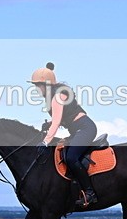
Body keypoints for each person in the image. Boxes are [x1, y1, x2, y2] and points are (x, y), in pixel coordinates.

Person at [29, 62, 99, 207]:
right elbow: (62, 118)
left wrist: (45, 141)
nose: (36, 89)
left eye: (38, 85)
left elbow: (57, 122)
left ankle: (90, 192)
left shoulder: (57, 97)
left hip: (85, 128)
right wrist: (48, 124)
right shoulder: (52, 96)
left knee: (71, 157)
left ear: (47, 85)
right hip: (77, 129)